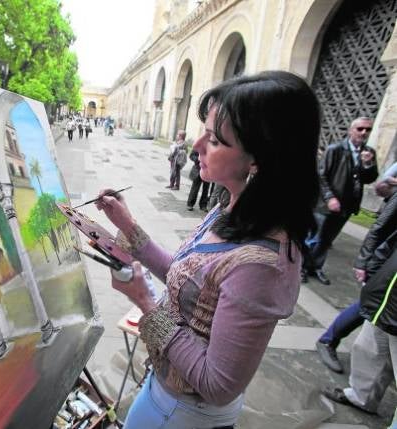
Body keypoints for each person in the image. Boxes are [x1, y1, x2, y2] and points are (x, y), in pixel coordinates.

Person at [95, 71, 321, 428]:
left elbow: (217, 384)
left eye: (214, 140)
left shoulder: (262, 266)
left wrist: (145, 303)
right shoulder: (231, 207)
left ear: (257, 160)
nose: (196, 146)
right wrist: (129, 228)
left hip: (182, 413)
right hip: (165, 392)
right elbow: (190, 280)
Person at [315, 170, 397, 373]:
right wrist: (363, 262)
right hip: (386, 265)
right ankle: (328, 340)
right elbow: (380, 226)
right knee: (369, 305)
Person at [321, 234, 396, 421]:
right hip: (383, 303)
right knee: (368, 349)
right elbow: (389, 244)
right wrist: (372, 271)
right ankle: (361, 397)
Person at [302, 117, 379, 285]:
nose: (364, 132)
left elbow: (370, 178)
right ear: (351, 130)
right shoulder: (335, 149)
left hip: (347, 206)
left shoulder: (369, 152)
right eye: (360, 129)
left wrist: (368, 164)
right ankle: (300, 267)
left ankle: (315, 267)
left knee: (327, 240)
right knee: (313, 237)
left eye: (368, 130)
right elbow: (321, 175)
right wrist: (330, 198)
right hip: (325, 204)